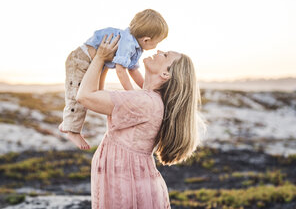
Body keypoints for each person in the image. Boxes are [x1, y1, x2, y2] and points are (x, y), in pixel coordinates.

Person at [76, 35, 206, 208]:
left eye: (165, 55)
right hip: (129, 182)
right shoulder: (149, 100)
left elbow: (85, 96)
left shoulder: (146, 102)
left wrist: (100, 57)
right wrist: (106, 63)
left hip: (126, 186)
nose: (159, 51)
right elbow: (98, 96)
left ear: (165, 74)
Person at [59, 9, 169, 150]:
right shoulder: (127, 42)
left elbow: (133, 70)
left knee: (96, 93)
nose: (156, 47)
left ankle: (67, 122)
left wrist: (145, 90)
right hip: (81, 60)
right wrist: (132, 93)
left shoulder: (136, 47)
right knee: (77, 95)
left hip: (94, 63)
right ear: (146, 40)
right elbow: (121, 70)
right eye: (156, 43)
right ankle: (72, 131)